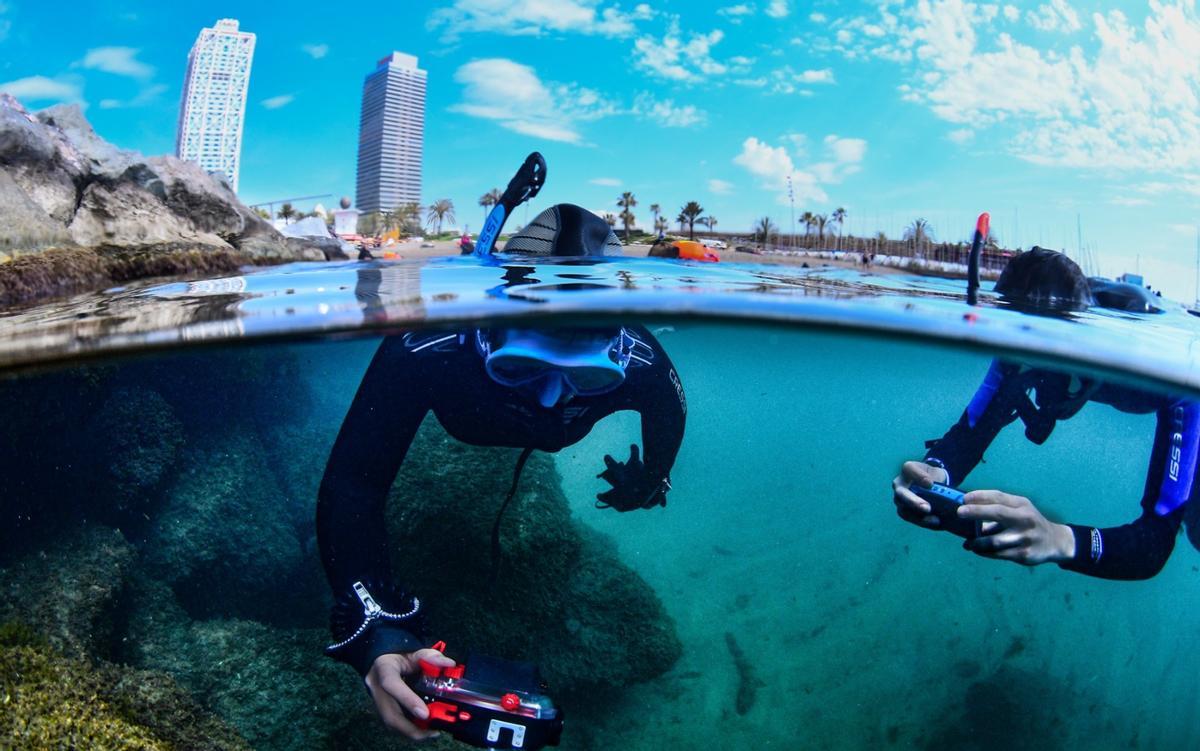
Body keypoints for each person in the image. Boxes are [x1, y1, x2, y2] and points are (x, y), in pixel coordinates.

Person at [317, 204, 686, 740]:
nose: (549, 399)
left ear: (616, 351)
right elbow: (356, 483)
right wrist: (375, 632)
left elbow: (669, 419)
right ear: (486, 329)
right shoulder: (430, 340)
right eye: (522, 367)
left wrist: (650, 479)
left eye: (586, 378)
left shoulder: (642, 360)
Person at [892, 248, 1198, 580]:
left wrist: (1057, 539)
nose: (1046, 397)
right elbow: (969, 434)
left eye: (1061, 374)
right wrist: (934, 472)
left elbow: (1152, 547)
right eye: (1039, 374)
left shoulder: (1174, 378)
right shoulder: (1019, 354)